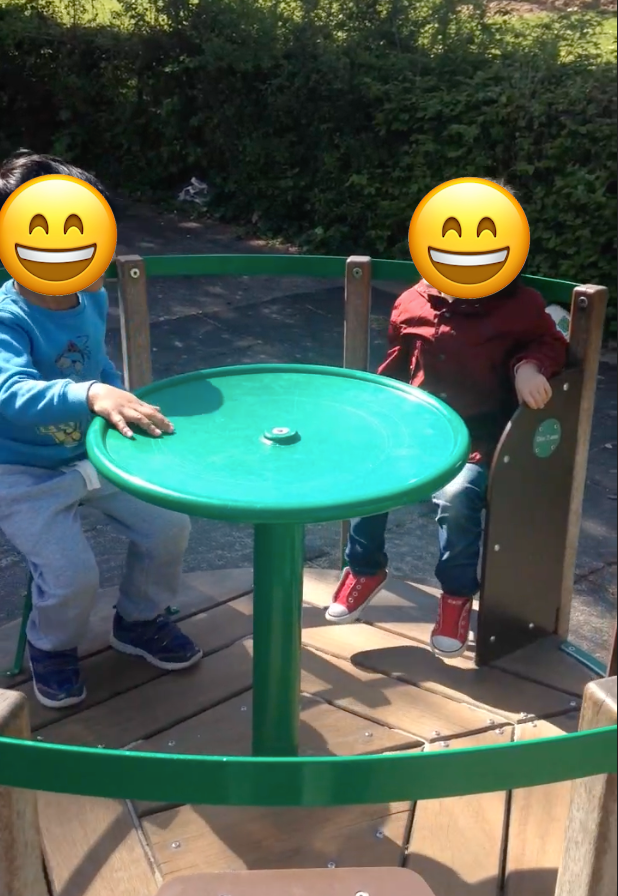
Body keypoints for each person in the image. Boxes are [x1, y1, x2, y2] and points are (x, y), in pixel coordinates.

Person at [325, 183, 569, 659]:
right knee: (368, 473)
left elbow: (549, 342)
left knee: (457, 499)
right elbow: (397, 365)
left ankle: (456, 595)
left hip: (476, 436)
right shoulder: (415, 300)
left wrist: (529, 366)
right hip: (417, 428)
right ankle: (365, 568)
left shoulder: (520, 306)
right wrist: (374, 414)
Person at [0, 150, 202, 709]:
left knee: (169, 525)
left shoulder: (89, 292)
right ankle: (51, 647)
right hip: (20, 471)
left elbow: (96, 364)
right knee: (72, 575)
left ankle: (139, 620)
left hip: (90, 452)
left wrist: (119, 400)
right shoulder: (8, 317)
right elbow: (9, 393)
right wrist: (90, 394)